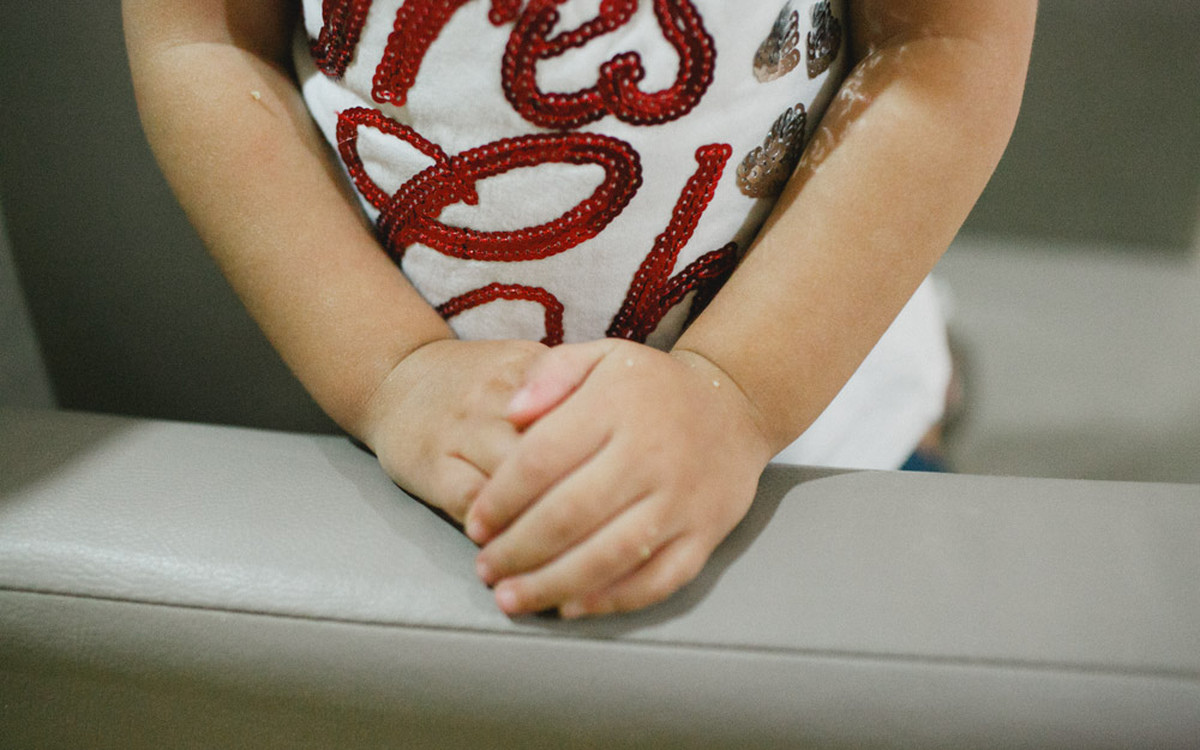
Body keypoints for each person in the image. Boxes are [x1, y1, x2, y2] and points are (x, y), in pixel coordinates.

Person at [123, 0, 1037, 619]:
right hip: (397, 471)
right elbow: (207, 41)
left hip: (818, 447)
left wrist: (736, 393)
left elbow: (940, 51)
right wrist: (391, 372)